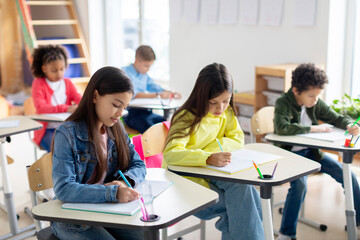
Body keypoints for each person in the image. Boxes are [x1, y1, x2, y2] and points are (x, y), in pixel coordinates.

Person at [162, 63, 264, 240]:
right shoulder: (185, 117)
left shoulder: (227, 111)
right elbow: (171, 154)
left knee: (250, 195)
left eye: (226, 101)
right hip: (185, 179)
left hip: (213, 172)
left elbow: (238, 139)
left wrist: (210, 152)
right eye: (213, 102)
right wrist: (207, 157)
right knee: (240, 208)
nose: (220, 108)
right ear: (201, 97)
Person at [51, 66, 146, 240]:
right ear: (95, 96)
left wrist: (126, 181)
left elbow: (139, 164)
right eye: (116, 105)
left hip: (105, 209)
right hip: (71, 218)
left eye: (124, 107)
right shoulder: (67, 134)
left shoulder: (116, 128)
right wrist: (112, 193)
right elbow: (63, 189)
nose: (120, 113)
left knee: (146, 236)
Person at [274, 63, 360, 240]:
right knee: (300, 185)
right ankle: (286, 234)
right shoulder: (283, 102)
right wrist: (312, 129)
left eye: (317, 96)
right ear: (296, 90)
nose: (315, 100)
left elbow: (334, 117)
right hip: (291, 156)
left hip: (313, 154)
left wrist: (350, 124)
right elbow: (282, 128)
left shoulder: (315, 103)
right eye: (311, 96)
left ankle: (357, 222)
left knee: (349, 176)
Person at [31, 44, 82, 152]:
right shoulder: (38, 83)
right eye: (54, 70)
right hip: (47, 130)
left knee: (82, 148)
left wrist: (84, 103)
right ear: (44, 69)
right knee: (60, 151)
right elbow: (41, 108)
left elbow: (77, 96)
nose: (59, 73)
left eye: (62, 69)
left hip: (67, 128)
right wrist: (67, 108)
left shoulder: (67, 82)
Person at [122, 45, 181, 133]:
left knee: (166, 123)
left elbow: (153, 86)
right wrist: (157, 95)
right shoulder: (124, 73)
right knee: (154, 130)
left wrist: (169, 92)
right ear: (137, 60)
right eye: (146, 66)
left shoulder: (144, 75)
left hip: (146, 113)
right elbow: (133, 94)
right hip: (131, 115)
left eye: (150, 66)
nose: (148, 69)